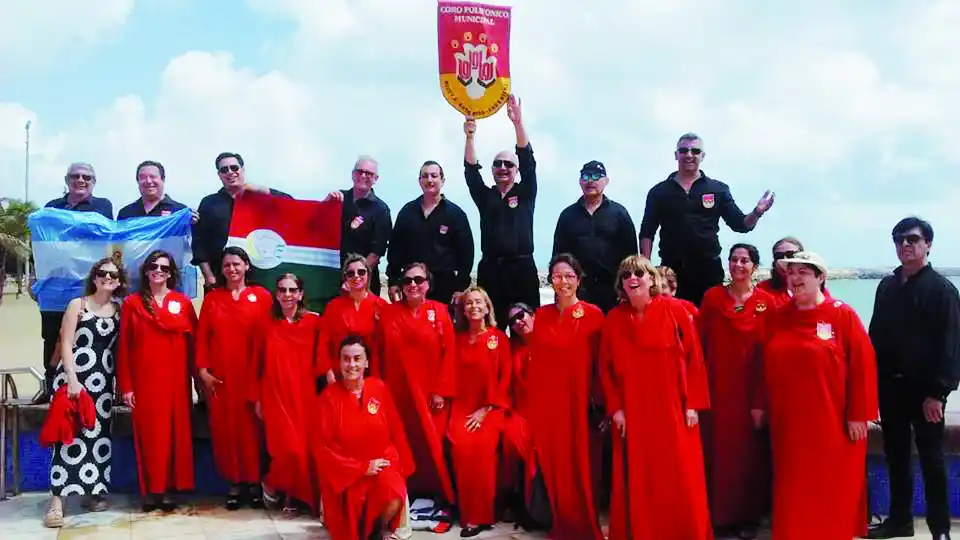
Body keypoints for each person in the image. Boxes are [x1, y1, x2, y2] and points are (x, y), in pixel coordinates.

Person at [760, 251, 877, 540]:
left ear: (820, 278)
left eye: (803, 273)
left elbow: (863, 366)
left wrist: (858, 415)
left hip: (831, 421)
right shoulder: (778, 315)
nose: (795, 278)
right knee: (793, 488)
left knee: (830, 488)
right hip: (789, 423)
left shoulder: (842, 314)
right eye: (791, 272)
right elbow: (761, 364)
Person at [600, 255, 712, 540]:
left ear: (652, 279)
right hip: (634, 412)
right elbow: (606, 368)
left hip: (674, 408)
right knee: (640, 479)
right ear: (620, 284)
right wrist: (616, 409)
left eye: (639, 273)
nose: (632, 279)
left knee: (680, 476)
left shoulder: (675, 310)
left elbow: (694, 359)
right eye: (626, 275)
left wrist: (693, 406)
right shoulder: (614, 319)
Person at [866, 217, 960, 540]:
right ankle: (900, 521)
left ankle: (941, 530)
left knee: (932, 461)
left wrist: (939, 393)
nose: (904, 244)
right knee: (896, 456)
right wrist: (870, 388)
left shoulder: (943, 291)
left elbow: (951, 347)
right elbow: (874, 337)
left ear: (927, 244)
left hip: (925, 393)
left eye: (912, 239)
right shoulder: (887, 287)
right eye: (899, 239)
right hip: (890, 388)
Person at [638, 132, 775, 306]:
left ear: (702, 156)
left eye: (695, 151)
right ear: (676, 155)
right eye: (683, 150)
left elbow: (740, 224)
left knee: (709, 327)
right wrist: (646, 267)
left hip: (708, 270)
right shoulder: (659, 192)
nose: (689, 155)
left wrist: (757, 212)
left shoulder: (718, 189)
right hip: (671, 272)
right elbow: (647, 231)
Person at [42, 257, 127, 528]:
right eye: (102, 273)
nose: (107, 278)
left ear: (120, 281)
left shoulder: (118, 310)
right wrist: (72, 378)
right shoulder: (77, 305)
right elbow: (66, 343)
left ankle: (92, 492)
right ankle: (57, 501)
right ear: (94, 276)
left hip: (103, 383)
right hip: (75, 380)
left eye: (113, 275)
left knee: (97, 436)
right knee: (67, 436)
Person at [526, 253, 605, 540]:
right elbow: (536, 364)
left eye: (569, 276)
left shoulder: (594, 315)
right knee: (555, 467)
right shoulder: (543, 315)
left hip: (582, 404)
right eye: (557, 276)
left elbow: (602, 365)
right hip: (549, 406)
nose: (563, 282)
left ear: (579, 279)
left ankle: (585, 527)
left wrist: (600, 404)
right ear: (550, 280)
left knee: (583, 469)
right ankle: (562, 523)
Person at [697, 244, 773, 539]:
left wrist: (762, 399)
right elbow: (698, 344)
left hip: (751, 393)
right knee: (717, 454)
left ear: (754, 266)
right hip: (716, 390)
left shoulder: (767, 304)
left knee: (750, 457)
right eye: (734, 259)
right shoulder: (713, 298)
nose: (738, 264)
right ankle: (718, 516)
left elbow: (772, 353)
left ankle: (748, 518)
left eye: (745, 260)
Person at [117, 250, 198, 511]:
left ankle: (171, 488)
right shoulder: (132, 303)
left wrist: (200, 381)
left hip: (176, 382)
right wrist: (127, 386)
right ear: (145, 271)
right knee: (151, 437)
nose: (159, 271)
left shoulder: (182, 302)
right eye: (154, 266)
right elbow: (125, 348)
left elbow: (195, 346)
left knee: (175, 435)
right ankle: (152, 489)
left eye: (164, 267)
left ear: (172, 273)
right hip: (146, 382)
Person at [314, 335, 415, 540]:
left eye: (357, 358)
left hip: (382, 461)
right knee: (352, 522)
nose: (352, 364)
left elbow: (395, 429)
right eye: (346, 359)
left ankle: (378, 531)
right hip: (347, 471)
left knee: (394, 488)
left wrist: (401, 464)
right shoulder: (328, 398)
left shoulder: (379, 388)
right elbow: (322, 447)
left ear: (367, 362)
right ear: (339, 362)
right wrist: (361, 468)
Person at [195, 247, 272, 510]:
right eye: (227, 265)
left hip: (252, 375)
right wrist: (203, 370)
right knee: (225, 432)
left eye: (237, 264)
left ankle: (254, 483)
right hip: (221, 379)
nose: (232, 269)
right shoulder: (214, 298)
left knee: (253, 432)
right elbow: (202, 337)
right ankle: (233, 484)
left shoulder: (261, 296)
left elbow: (274, 334)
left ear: (247, 266)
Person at [378, 263, 457, 508]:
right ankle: (407, 491)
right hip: (397, 392)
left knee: (431, 443)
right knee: (404, 441)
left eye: (419, 280)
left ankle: (438, 493)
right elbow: (378, 352)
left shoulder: (440, 311)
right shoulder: (389, 313)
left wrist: (441, 391)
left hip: (431, 394)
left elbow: (450, 353)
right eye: (408, 280)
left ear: (428, 284)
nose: (413, 285)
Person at [35, 163, 114, 404]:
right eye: (75, 176)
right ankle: (49, 385)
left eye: (86, 177)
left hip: (87, 288)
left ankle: (93, 386)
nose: (81, 180)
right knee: (52, 337)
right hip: (55, 287)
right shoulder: (51, 208)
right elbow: (40, 246)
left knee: (88, 336)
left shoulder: (102, 206)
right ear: (67, 179)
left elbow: (103, 235)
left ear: (94, 181)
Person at [463, 95, 540, 329]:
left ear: (516, 170)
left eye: (508, 164)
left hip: (522, 270)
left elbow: (528, 161)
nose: (503, 168)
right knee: (491, 332)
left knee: (525, 332)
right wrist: (470, 136)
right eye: (498, 164)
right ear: (492, 170)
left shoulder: (526, 192)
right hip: (491, 271)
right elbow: (470, 173)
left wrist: (517, 122)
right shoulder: (485, 196)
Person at [250, 272, 321, 515]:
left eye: (292, 290)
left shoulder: (314, 323)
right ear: (276, 294)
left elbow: (324, 359)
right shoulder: (264, 323)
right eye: (282, 290)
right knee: (285, 450)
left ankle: (291, 496)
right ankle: (271, 481)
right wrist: (257, 398)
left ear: (301, 294)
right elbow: (255, 363)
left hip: (304, 395)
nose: (287, 295)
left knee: (303, 450)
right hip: (274, 395)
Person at [448, 287, 510, 537]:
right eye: (469, 303)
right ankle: (467, 512)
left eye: (478, 302)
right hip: (462, 407)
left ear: (487, 307)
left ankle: (482, 516)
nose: (474, 307)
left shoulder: (498, 339)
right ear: (463, 310)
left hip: (491, 408)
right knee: (461, 449)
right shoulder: (458, 339)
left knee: (483, 451)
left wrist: (486, 410)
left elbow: (505, 379)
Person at [193, 151, 290, 290]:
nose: (230, 172)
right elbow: (199, 242)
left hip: (260, 276)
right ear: (219, 174)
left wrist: (259, 189)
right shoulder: (209, 203)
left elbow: (291, 205)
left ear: (243, 169)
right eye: (224, 169)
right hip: (220, 277)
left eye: (234, 168)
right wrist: (208, 276)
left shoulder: (261, 198)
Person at [552, 160, 637, 313]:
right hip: (578, 290)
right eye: (586, 176)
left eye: (596, 176)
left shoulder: (619, 214)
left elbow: (630, 257)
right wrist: (558, 291)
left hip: (612, 290)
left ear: (606, 181)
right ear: (579, 182)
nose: (590, 180)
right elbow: (558, 257)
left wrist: (628, 290)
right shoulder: (567, 216)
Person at [386, 161, 474, 305]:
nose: (430, 180)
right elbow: (395, 249)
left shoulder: (456, 215)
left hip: (444, 287)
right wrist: (393, 281)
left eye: (434, 176)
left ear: (442, 180)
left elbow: (466, 254)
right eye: (425, 176)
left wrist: (460, 287)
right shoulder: (407, 212)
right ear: (420, 181)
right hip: (412, 285)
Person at [324, 155, 393, 297]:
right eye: (359, 171)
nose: (363, 176)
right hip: (330, 277)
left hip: (362, 281)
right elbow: (315, 225)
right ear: (352, 174)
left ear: (375, 179)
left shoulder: (381, 209)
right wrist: (326, 203)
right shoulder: (338, 199)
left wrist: (354, 277)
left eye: (368, 173)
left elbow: (376, 253)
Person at [502, 302, 541, 530]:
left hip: (546, 413)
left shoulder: (548, 342)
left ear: (533, 315)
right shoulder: (513, 349)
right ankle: (517, 498)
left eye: (521, 315)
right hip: (521, 412)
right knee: (511, 438)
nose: (518, 322)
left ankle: (535, 506)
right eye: (512, 320)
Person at [317, 254, 386, 385]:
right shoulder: (333, 307)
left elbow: (386, 347)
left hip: (371, 374)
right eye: (350, 273)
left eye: (361, 272)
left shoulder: (381, 306)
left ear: (368, 275)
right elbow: (323, 342)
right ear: (345, 278)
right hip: (339, 374)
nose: (356, 276)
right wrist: (327, 370)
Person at [756, 237, 832, 307]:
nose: (784, 259)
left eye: (791, 255)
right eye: (779, 256)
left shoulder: (818, 289)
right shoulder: (762, 290)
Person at [116, 160, 195, 220]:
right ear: (138, 181)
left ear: (163, 179)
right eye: (143, 177)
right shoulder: (125, 213)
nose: (148, 181)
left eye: (153, 176)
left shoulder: (179, 211)